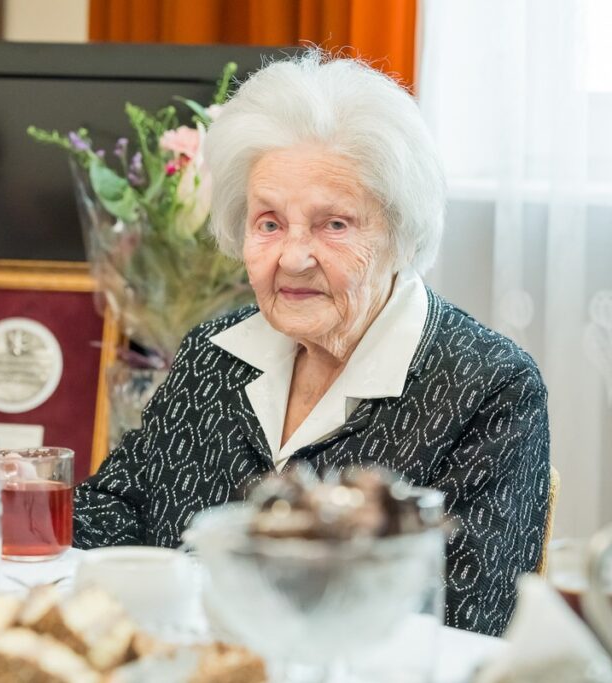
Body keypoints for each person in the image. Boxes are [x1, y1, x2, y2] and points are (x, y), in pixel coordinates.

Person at [73, 50, 550, 637]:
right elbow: (111, 510)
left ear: (400, 232)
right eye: (269, 223)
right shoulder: (213, 351)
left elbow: (469, 620)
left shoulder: (490, 387)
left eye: (334, 225)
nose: (293, 258)